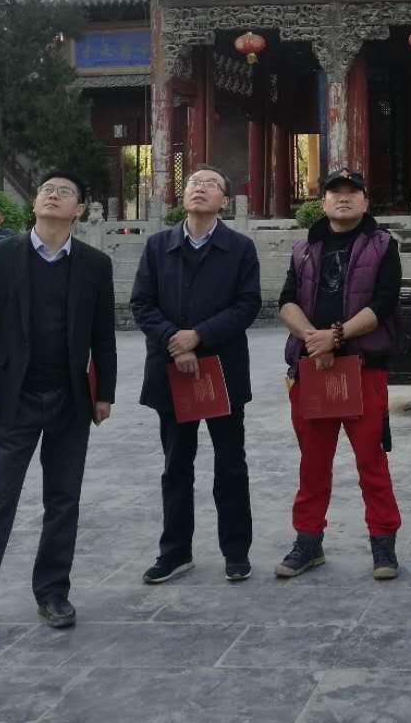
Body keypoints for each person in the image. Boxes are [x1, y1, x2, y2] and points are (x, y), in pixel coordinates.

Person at [0, 170, 115, 657]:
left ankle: (53, 592)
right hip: (14, 398)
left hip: (70, 400)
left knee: (63, 501)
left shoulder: (94, 264)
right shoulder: (0, 257)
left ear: (79, 210)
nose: (53, 195)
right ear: (34, 204)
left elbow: (103, 335)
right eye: (47, 190)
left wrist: (105, 393)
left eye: (65, 192)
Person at [130, 165, 261, 585]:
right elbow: (142, 303)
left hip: (222, 370)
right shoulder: (157, 246)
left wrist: (198, 336)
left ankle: (236, 551)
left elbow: (248, 305)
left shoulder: (239, 248)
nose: (199, 188)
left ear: (225, 201)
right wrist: (175, 341)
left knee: (231, 464)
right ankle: (175, 552)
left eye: (209, 184)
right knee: (176, 465)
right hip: (172, 370)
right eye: (192, 183)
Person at [277, 168, 403, 580]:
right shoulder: (304, 247)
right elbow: (286, 300)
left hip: (363, 367)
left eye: (352, 192)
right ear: (323, 201)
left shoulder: (382, 245)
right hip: (312, 368)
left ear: (366, 201)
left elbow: (384, 302)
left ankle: (383, 542)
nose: (344, 198)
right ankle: (308, 540)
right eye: (335, 192)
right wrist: (313, 339)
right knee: (313, 463)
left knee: (371, 460)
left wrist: (336, 336)